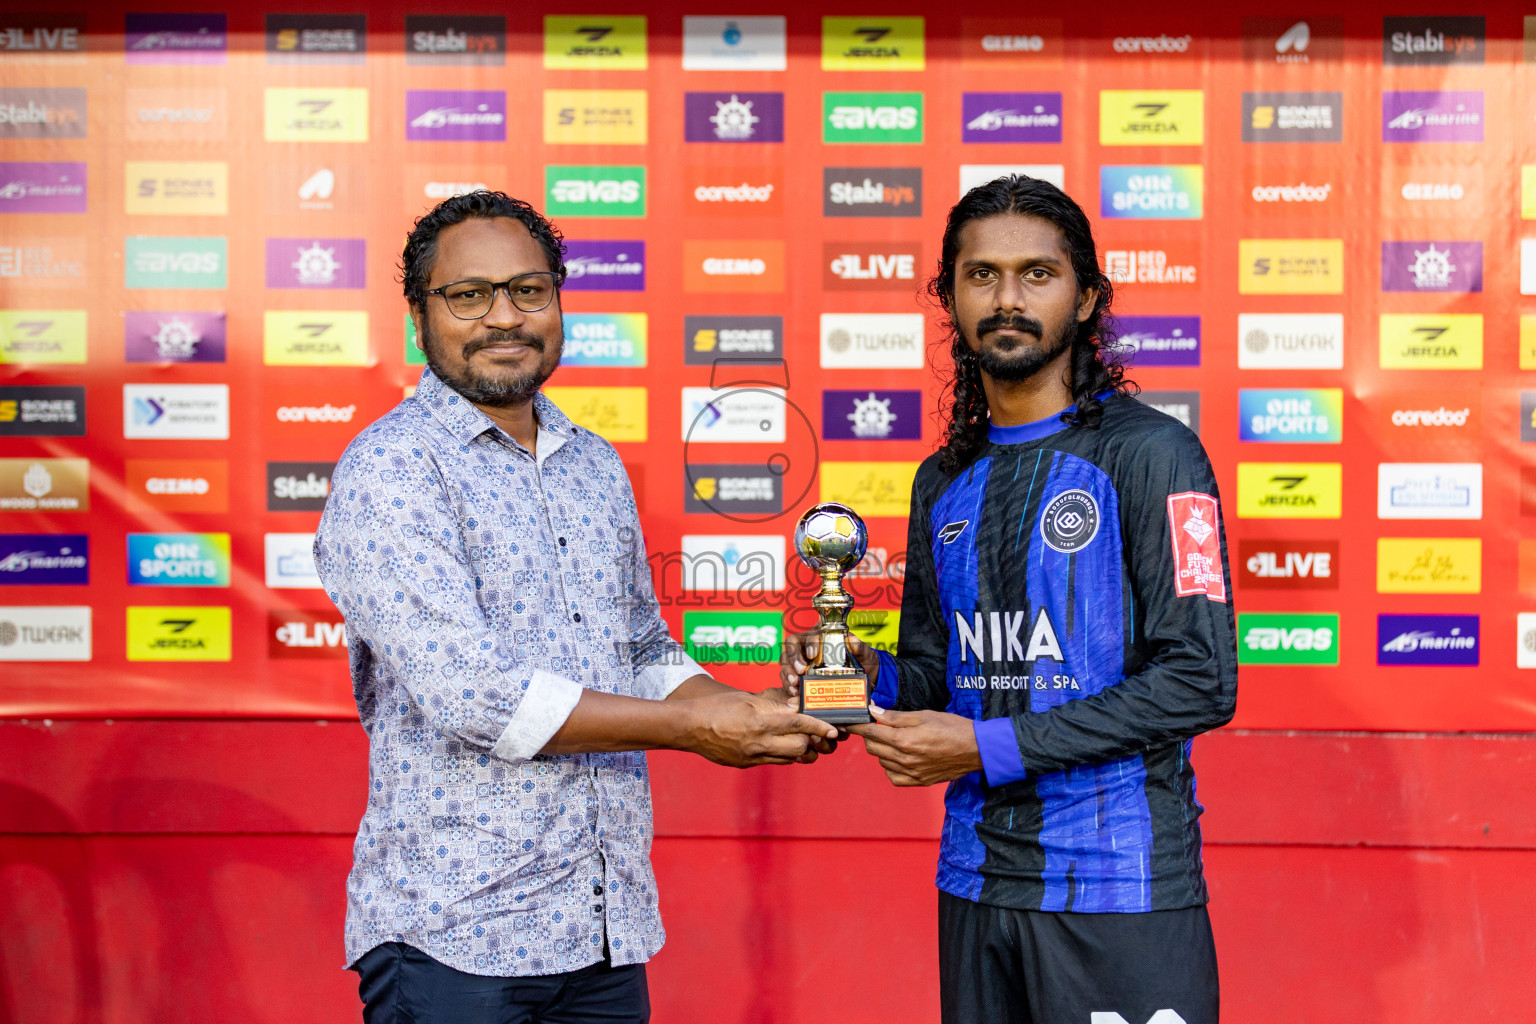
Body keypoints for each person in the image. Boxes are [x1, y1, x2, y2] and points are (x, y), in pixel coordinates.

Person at [314, 190, 837, 1024]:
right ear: (419, 317)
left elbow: (640, 649)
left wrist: (745, 710)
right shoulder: (392, 470)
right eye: (468, 295)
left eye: (528, 290)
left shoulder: (592, 464)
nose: (503, 317)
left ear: (558, 302)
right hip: (457, 935)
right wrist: (697, 732)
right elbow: (474, 696)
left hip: (600, 926)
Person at [782, 175, 1238, 1024]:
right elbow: (936, 668)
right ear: (948, 295)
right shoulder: (944, 478)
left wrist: (988, 746)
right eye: (981, 275)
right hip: (977, 880)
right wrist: (854, 676)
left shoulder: (1157, 456)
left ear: (1088, 295)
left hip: (1120, 885)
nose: (1008, 299)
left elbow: (1201, 680)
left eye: (1038, 274)